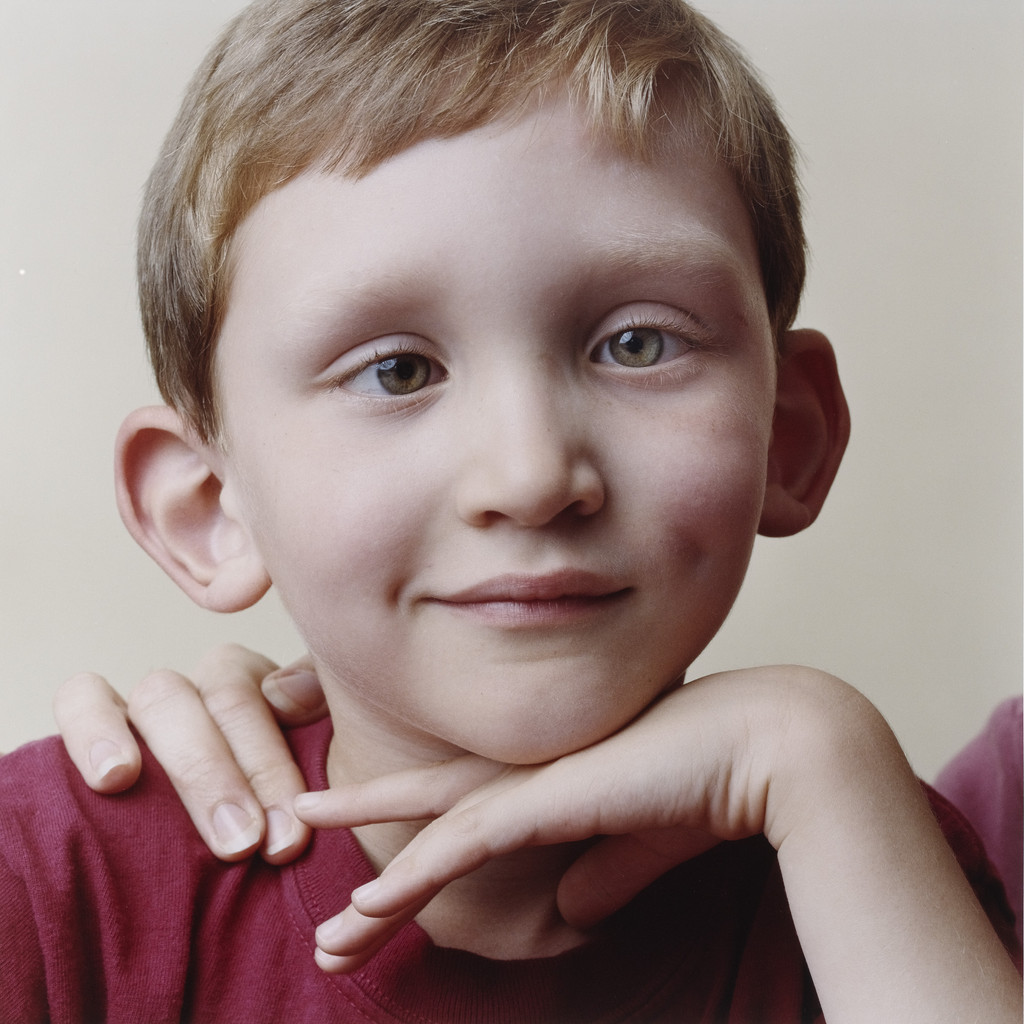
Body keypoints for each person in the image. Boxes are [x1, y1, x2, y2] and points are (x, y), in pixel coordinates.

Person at [3, 1, 1020, 1020]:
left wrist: (818, 747)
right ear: (208, 506)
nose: (532, 475)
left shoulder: (868, 861)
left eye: (638, 344)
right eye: (396, 370)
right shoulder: (51, 885)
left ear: (788, 436)